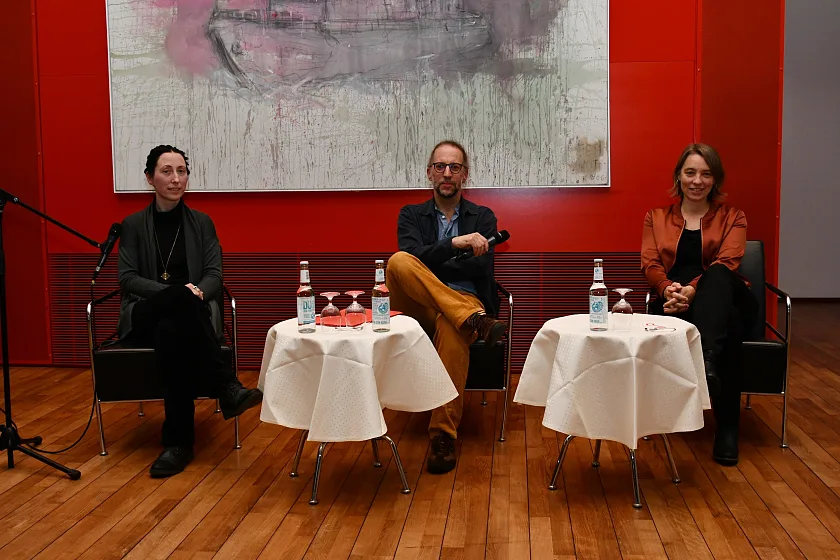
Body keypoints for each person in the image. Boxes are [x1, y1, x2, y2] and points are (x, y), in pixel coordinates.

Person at [117, 145, 263, 478]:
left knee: (173, 331)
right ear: (149, 178)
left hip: (186, 316)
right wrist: (177, 293)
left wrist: (192, 293)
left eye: (181, 171)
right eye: (166, 171)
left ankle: (178, 444)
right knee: (177, 306)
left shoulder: (201, 223)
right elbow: (127, 279)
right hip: (143, 312)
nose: (175, 178)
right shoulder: (133, 224)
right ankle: (226, 386)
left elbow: (214, 274)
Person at [387, 140, 507, 474]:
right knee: (398, 262)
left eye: (454, 167)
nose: (447, 174)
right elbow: (409, 260)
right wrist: (456, 244)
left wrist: (434, 259)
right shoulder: (410, 214)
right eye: (440, 166)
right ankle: (474, 319)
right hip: (419, 306)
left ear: (465, 175)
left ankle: (442, 435)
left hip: (464, 302)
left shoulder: (483, 217)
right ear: (429, 172)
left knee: (454, 327)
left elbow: (479, 269)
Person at [641, 143, 757, 466]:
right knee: (729, 326)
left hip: (728, 294)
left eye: (706, 174)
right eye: (690, 172)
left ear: (715, 180)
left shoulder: (734, 217)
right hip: (677, 303)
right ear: (679, 176)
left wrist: (691, 291)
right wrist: (668, 291)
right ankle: (727, 429)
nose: (697, 180)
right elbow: (650, 264)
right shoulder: (656, 217)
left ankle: (706, 364)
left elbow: (729, 261)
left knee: (719, 275)